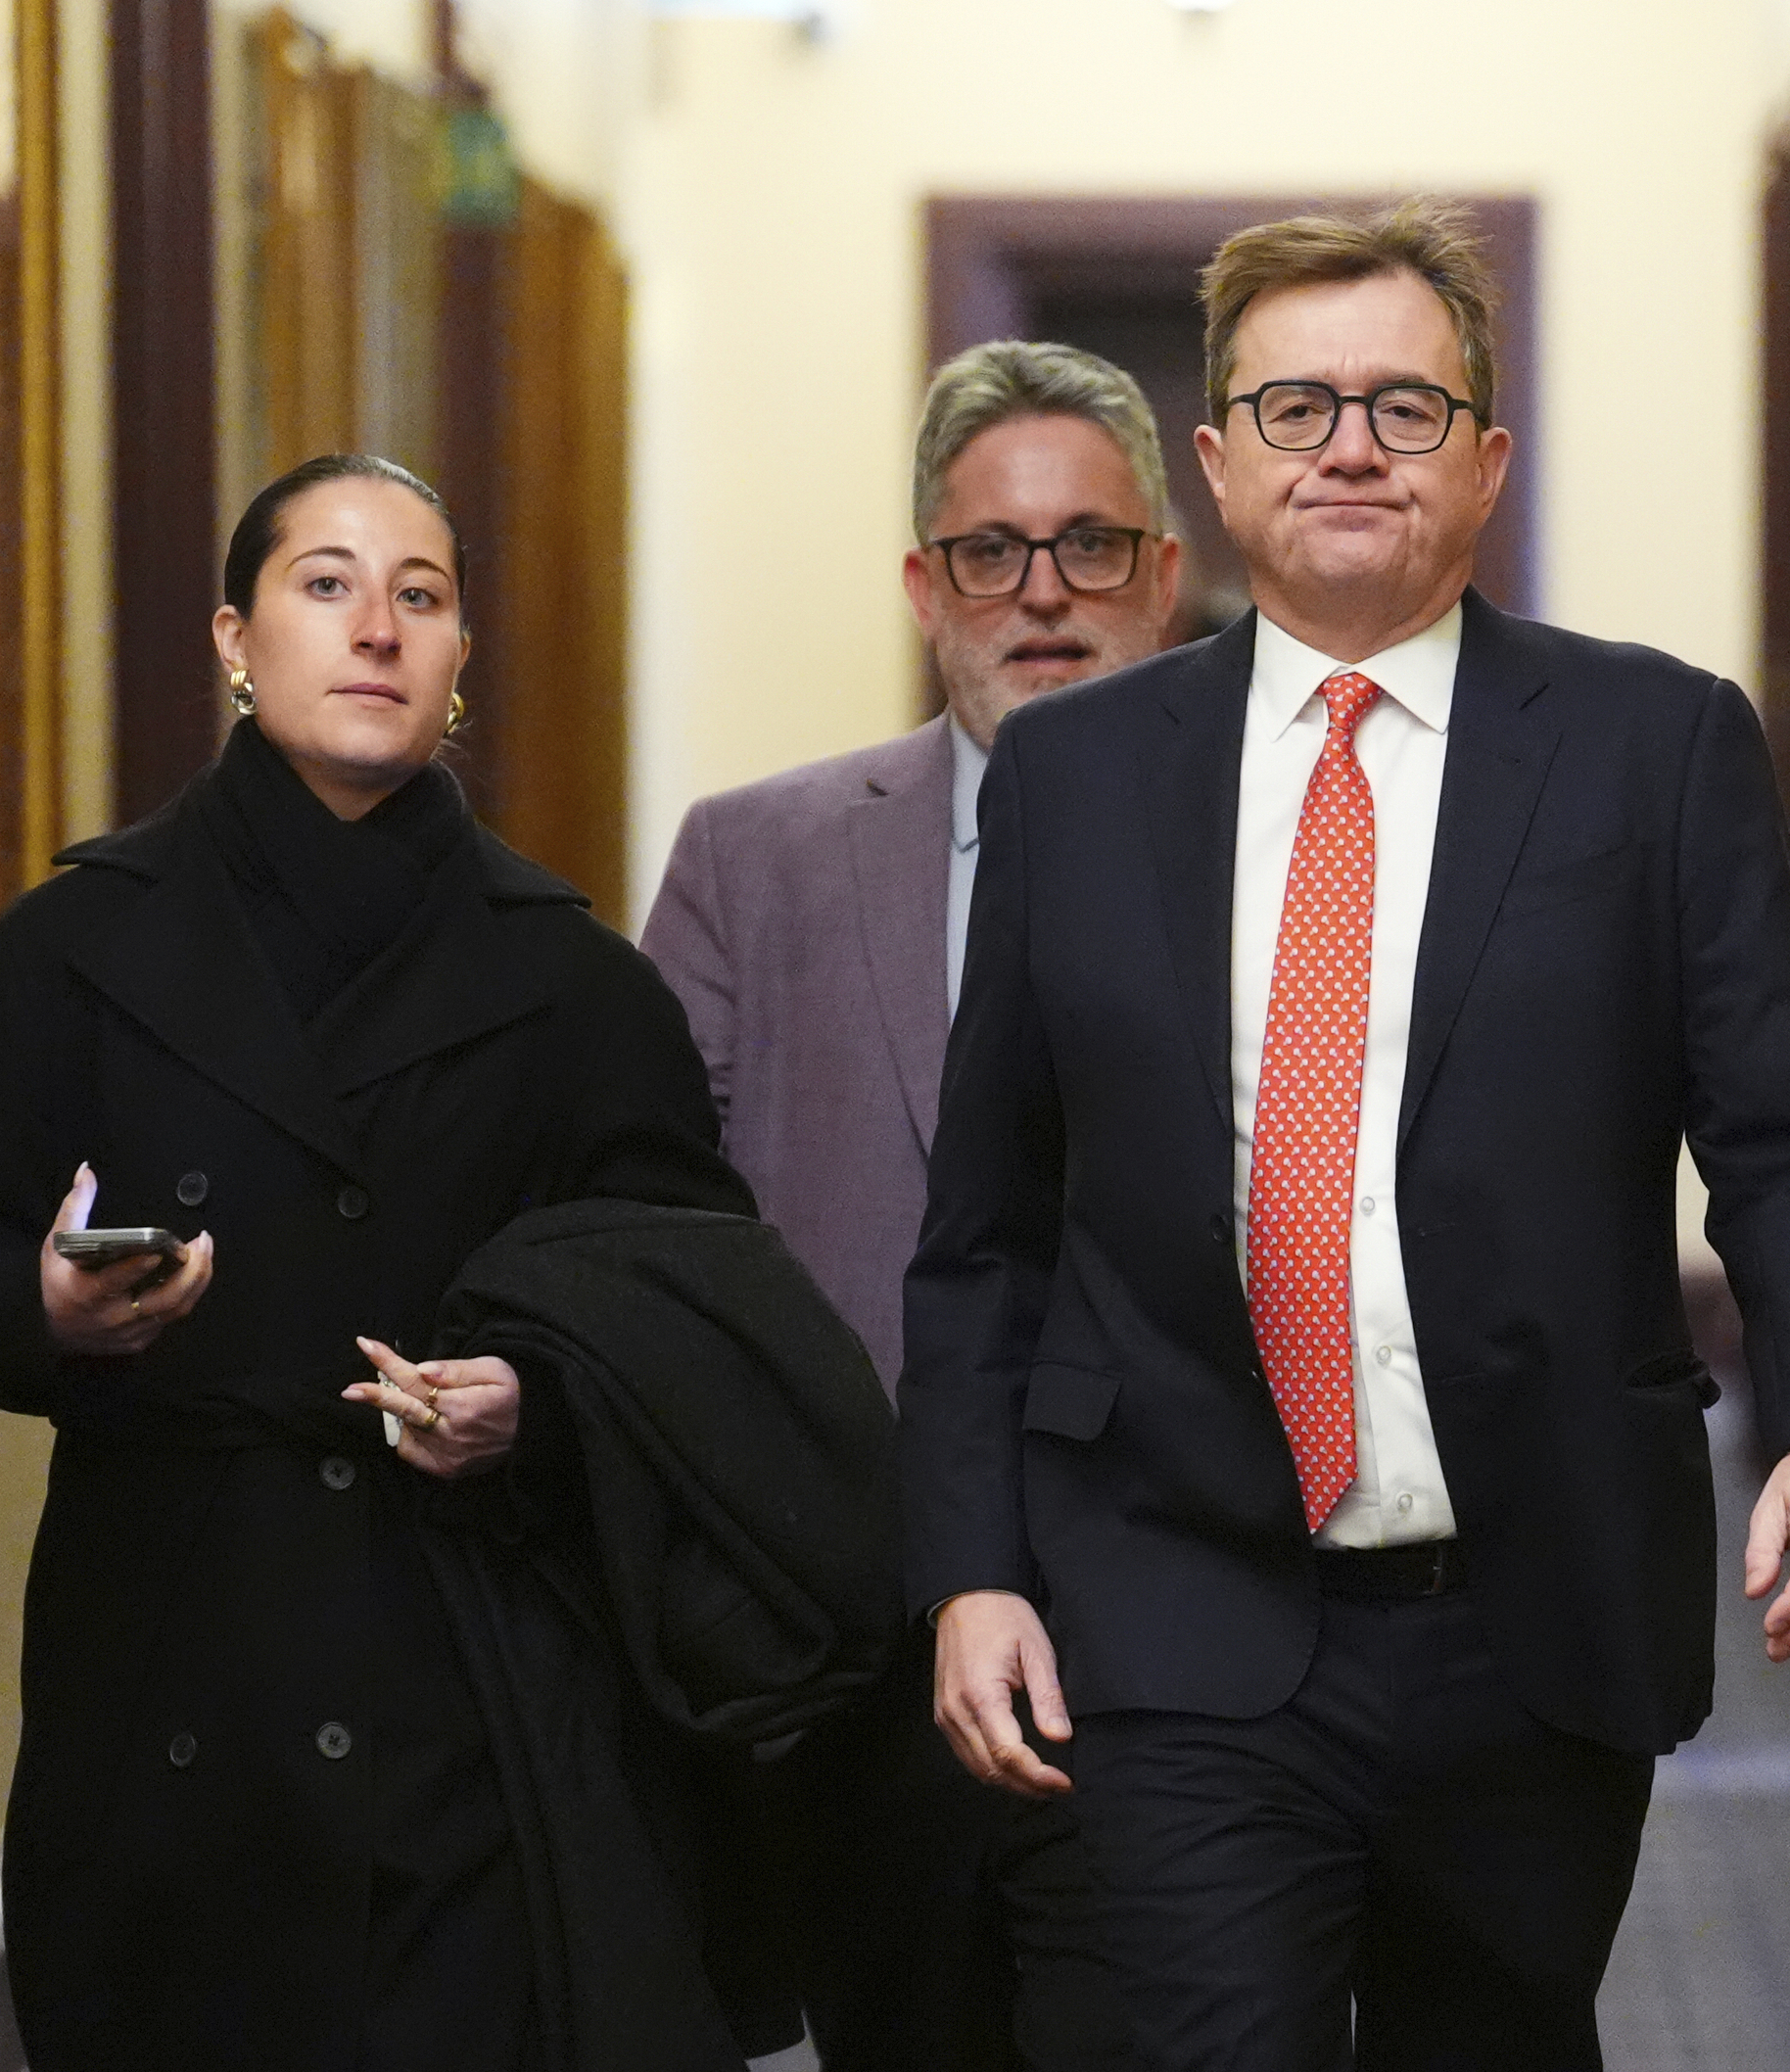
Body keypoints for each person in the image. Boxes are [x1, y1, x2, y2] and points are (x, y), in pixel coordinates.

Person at [902, 201, 1790, 2070]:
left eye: (1403, 407)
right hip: (1174, 1597)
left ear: (1487, 459)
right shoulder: (1079, 778)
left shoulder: (1653, 748)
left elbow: (1789, 1141)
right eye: (1293, 408)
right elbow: (989, 1238)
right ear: (1214, 466)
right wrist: (969, 1570)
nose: (1348, 445)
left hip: (1527, 1616)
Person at [0, 453, 894, 2072]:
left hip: (478, 1672)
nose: (378, 631)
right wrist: (51, 1309)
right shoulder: (81, 946)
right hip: (173, 1655)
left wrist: (534, 1403)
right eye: (326, 585)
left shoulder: (571, 981)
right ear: (233, 638)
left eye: (420, 596)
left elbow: (692, 1317)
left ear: (463, 656)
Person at [640, 340, 1178, 2070]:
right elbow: (655, 1240)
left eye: (1091, 544)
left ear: (1165, 577)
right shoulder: (756, 864)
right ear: (921, 583)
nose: (1042, 595)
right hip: (865, 1658)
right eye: (989, 551)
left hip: (1205, 1649)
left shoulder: (1303, 859)